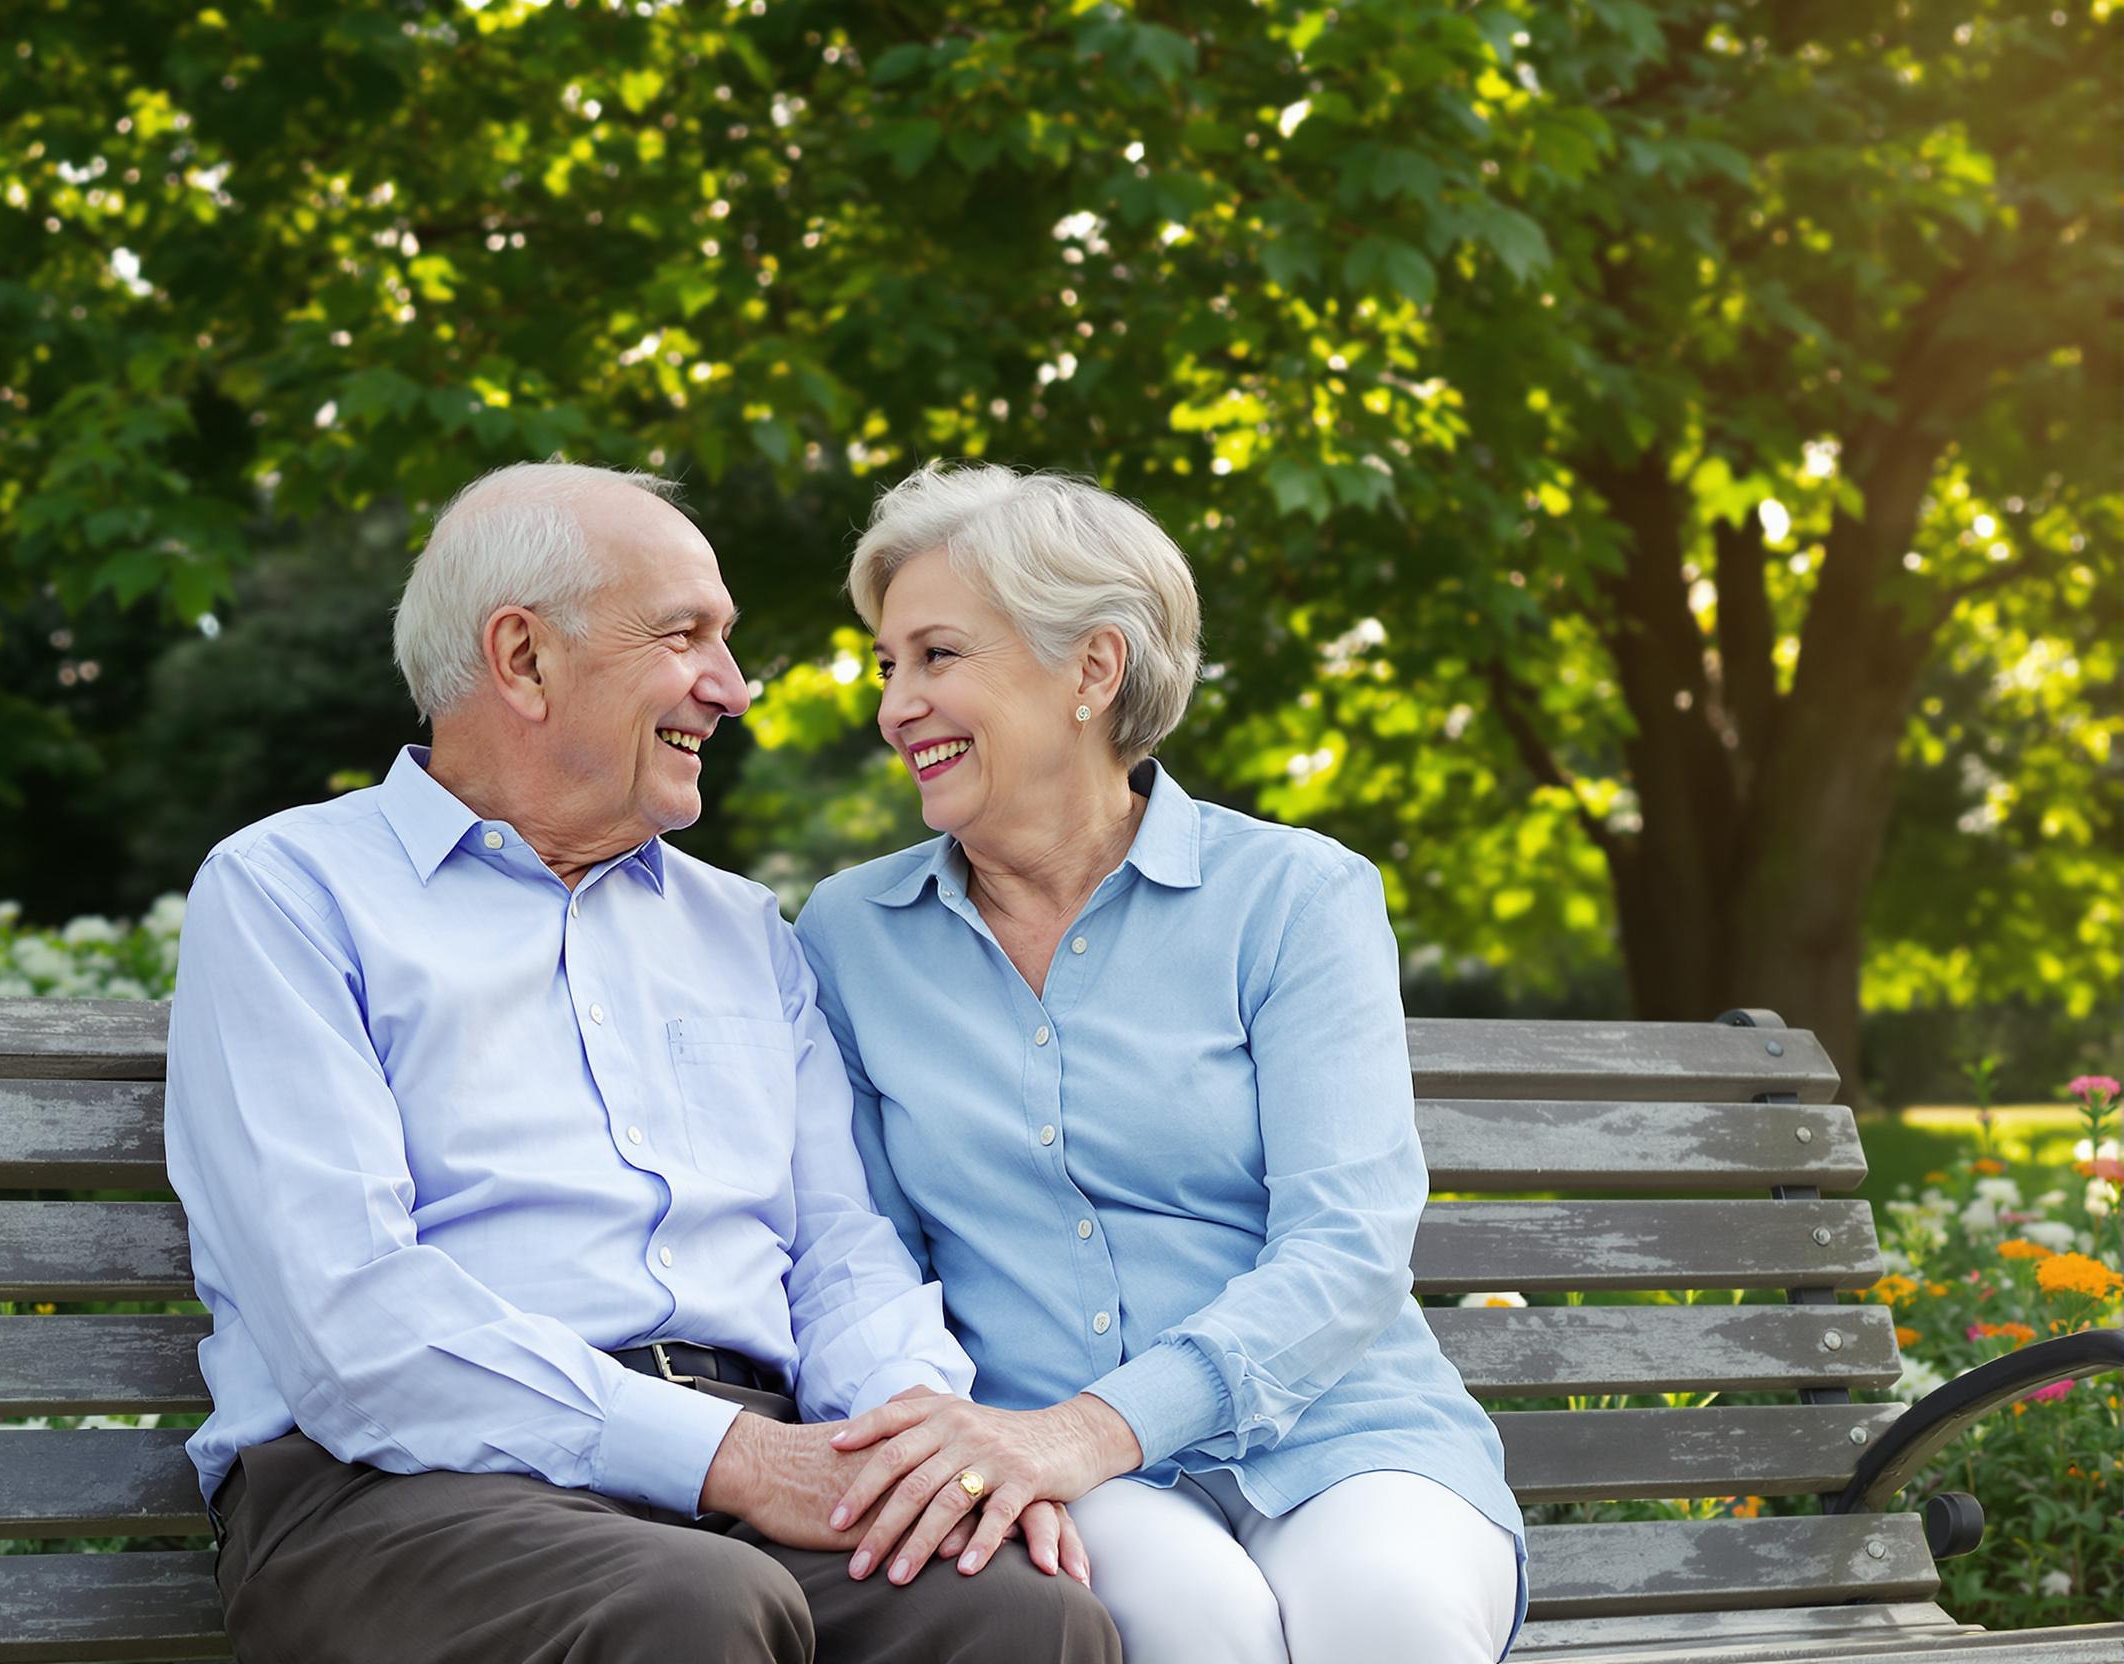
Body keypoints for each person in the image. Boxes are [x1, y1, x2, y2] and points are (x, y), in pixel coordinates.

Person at [164, 462, 1117, 1664]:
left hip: (736, 1471)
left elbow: (839, 1251)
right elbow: (350, 1318)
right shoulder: (291, 892)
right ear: (522, 658)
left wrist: (927, 1447)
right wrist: (727, 1456)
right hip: (397, 1486)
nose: (731, 686)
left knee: (1019, 1613)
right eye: (686, 636)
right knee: (694, 1606)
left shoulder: (742, 928)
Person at [793, 462, 1527, 1663]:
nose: (893, 707)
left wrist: (1098, 1425)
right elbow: (866, 1246)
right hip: (1031, 1453)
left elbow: (1347, 1247)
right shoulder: (849, 934)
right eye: (888, 666)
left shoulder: (1294, 895)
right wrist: (985, 1440)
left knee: (1386, 1619)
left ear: (1092, 669)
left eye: (936, 656)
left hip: (1343, 1430)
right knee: (1199, 1628)